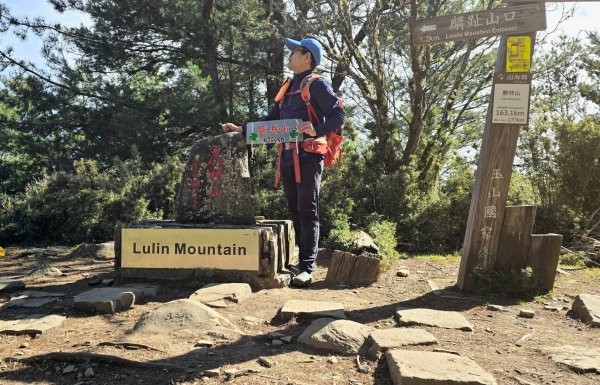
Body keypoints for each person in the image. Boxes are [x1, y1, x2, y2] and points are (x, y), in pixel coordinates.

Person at [222, 37, 345, 287]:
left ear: (307, 57)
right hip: (287, 155)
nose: (289, 55)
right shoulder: (288, 86)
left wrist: (317, 129)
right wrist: (241, 129)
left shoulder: (317, 83)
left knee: (308, 211)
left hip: (309, 155)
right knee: (293, 210)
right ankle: (297, 264)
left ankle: (307, 269)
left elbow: (339, 114)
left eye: (294, 51)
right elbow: (271, 120)